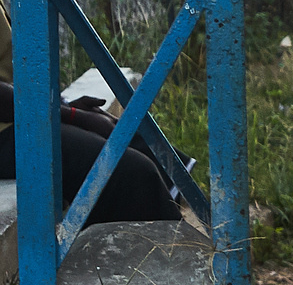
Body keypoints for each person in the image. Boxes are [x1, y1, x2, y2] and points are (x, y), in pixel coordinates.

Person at [0, 84, 180, 225]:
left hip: (16, 116)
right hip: (9, 129)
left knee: (128, 135)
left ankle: (180, 214)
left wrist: (64, 107)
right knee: (132, 170)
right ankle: (168, 257)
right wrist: (72, 115)